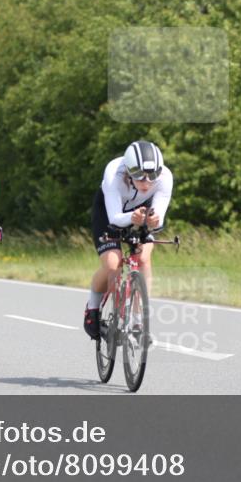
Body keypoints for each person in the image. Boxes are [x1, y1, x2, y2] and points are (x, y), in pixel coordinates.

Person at [83, 141, 173, 339]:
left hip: (143, 210)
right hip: (109, 212)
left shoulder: (166, 177)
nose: (146, 183)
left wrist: (153, 221)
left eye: (152, 176)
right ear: (129, 171)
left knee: (143, 258)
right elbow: (115, 218)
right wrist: (132, 217)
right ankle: (93, 307)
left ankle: (139, 320)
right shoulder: (114, 173)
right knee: (112, 264)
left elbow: (159, 219)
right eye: (140, 176)